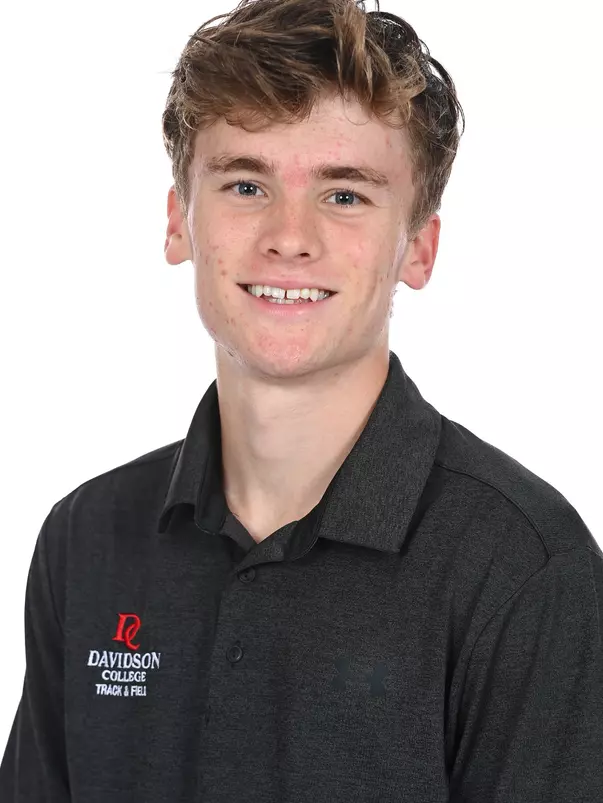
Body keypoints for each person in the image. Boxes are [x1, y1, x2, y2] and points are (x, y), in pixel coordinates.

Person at [2, 0, 602, 800]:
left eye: (344, 195)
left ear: (417, 248)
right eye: (245, 183)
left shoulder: (523, 568)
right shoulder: (87, 539)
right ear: (180, 220)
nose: (290, 236)